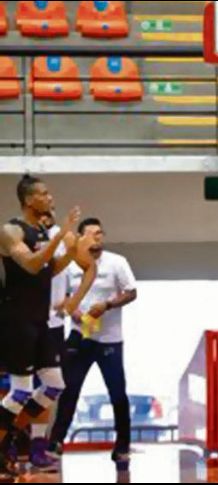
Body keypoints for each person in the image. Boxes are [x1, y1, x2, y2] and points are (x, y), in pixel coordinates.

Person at [0, 175, 82, 480]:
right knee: (20, 391)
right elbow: (32, 264)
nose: (50, 198)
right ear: (29, 200)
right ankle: (3, 448)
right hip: (17, 319)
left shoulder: (44, 231)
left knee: (55, 385)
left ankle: (11, 436)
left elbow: (49, 269)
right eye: (44, 194)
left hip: (42, 319)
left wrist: (71, 249)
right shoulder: (11, 231)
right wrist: (59, 239)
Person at [49, 218, 138, 470]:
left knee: (118, 393)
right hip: (79, 335)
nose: (97, 238)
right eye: (91, 234)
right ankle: (56, 442)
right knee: (68, 391)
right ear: (80, 238)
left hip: (109, 338)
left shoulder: (116, 262)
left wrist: (108, 305)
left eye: (100, 233)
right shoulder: (70, 265)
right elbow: (62, 296)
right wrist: (74, 310)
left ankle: (122, 446)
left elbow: (132, 291)